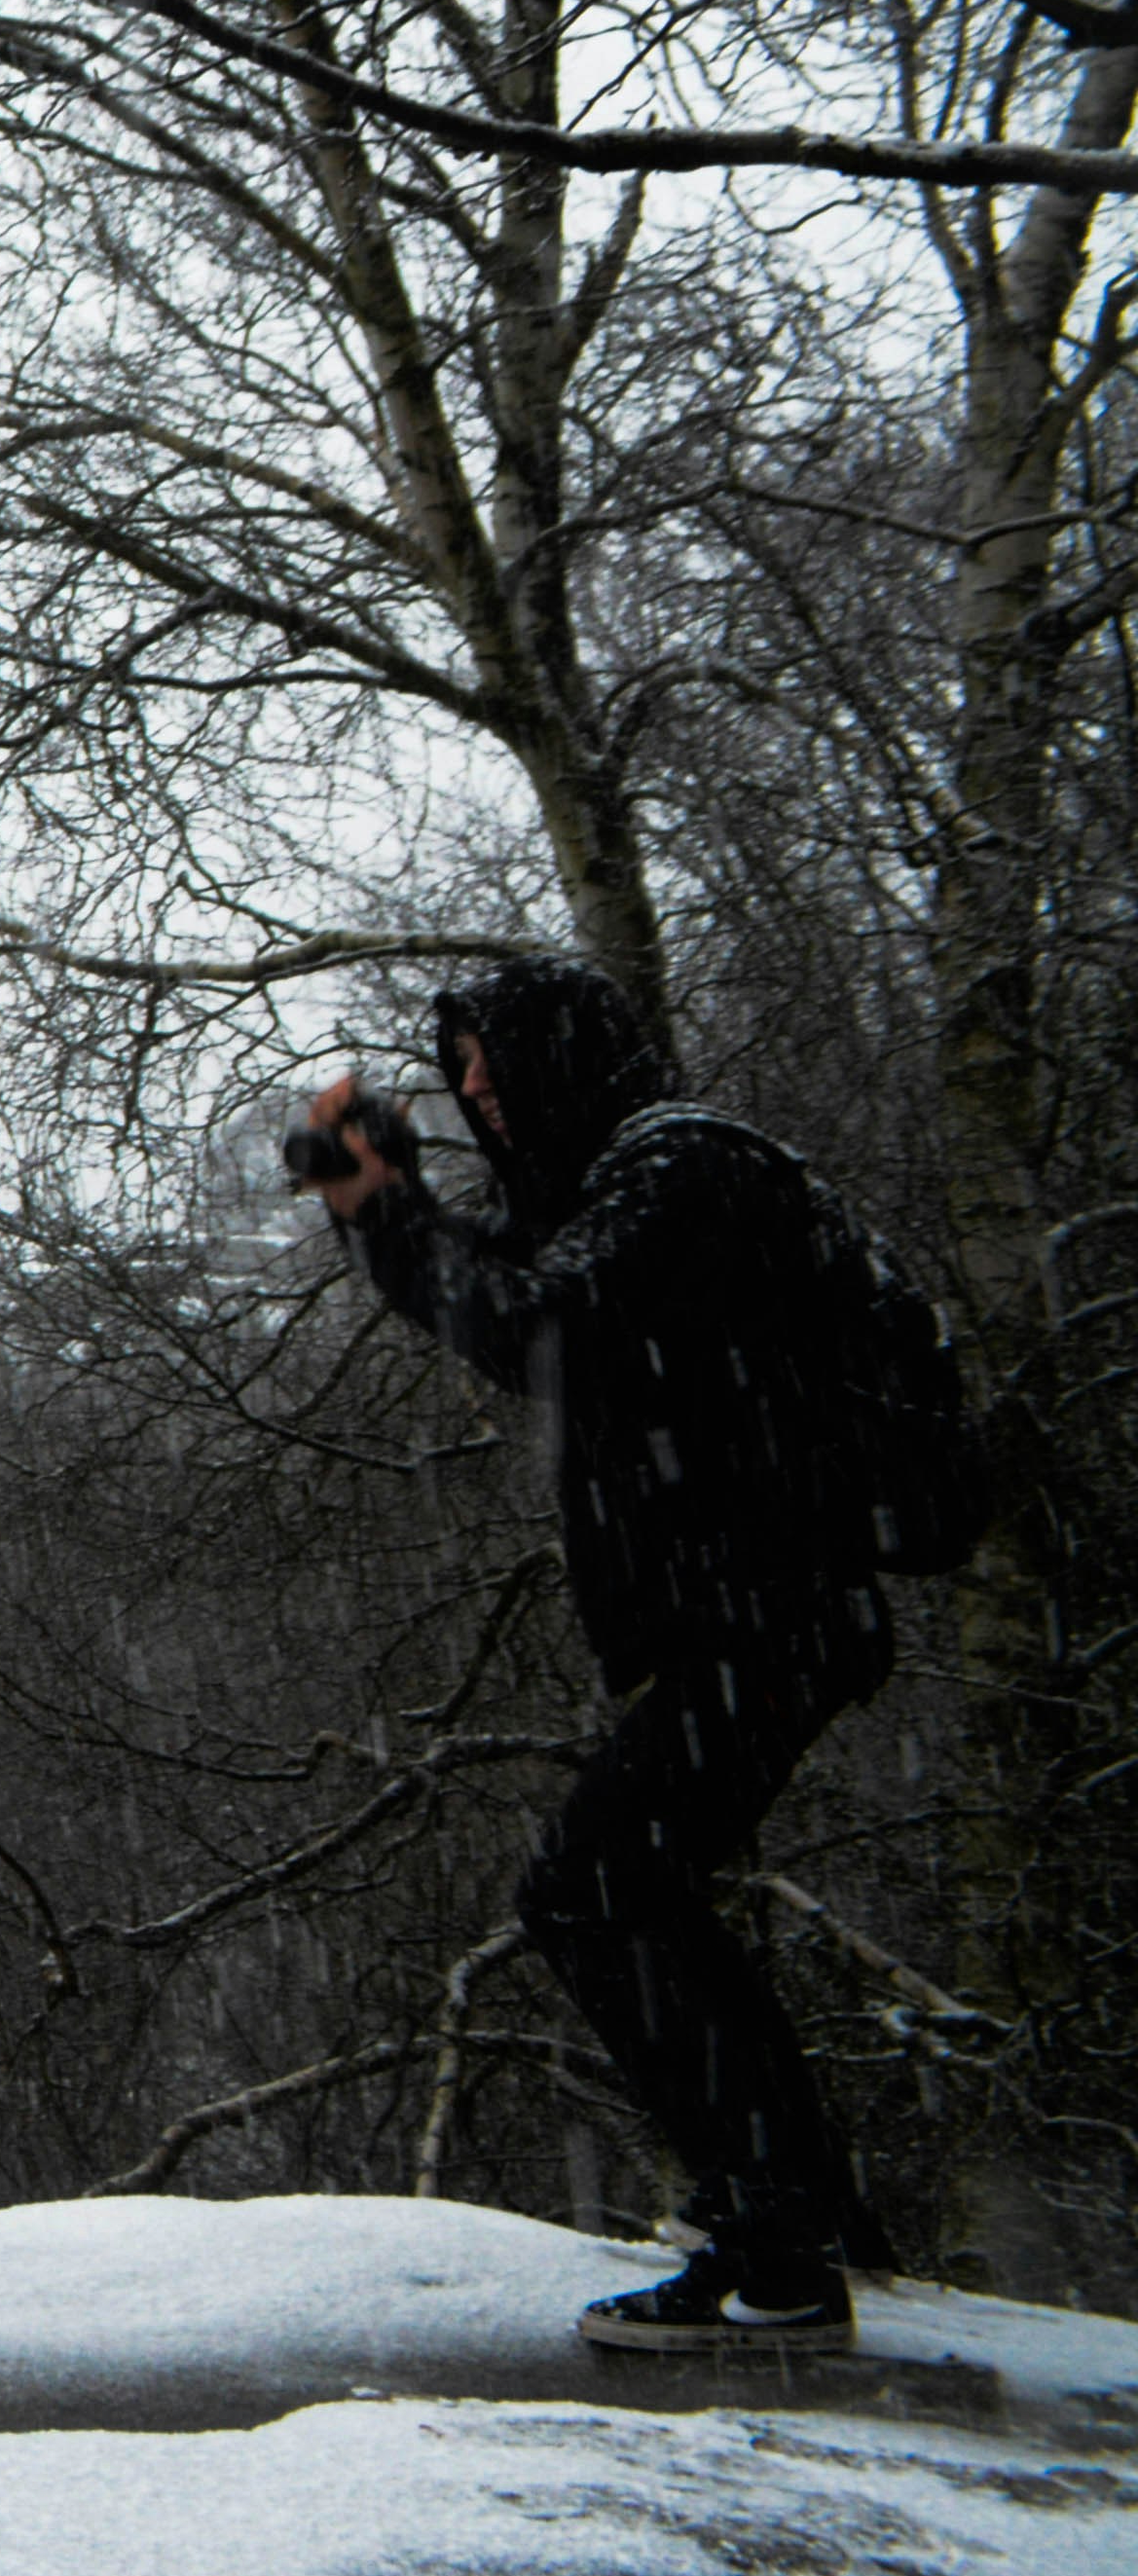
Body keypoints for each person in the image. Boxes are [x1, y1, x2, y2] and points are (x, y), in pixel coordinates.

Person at [294, 953, 899, 2352]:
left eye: (498, 1077)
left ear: (571, 1062)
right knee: (632, 1890)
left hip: (778, 1615)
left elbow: (537, 1328)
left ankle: (785, 2247)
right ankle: (787, 2215)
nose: (484, 1103)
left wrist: (389, 1210)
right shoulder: (613, 1194)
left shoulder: (682, 1169)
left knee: (596, 1888)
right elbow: (516, 1285)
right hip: (751, 1620)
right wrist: (392, 1205)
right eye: (465, 1087)